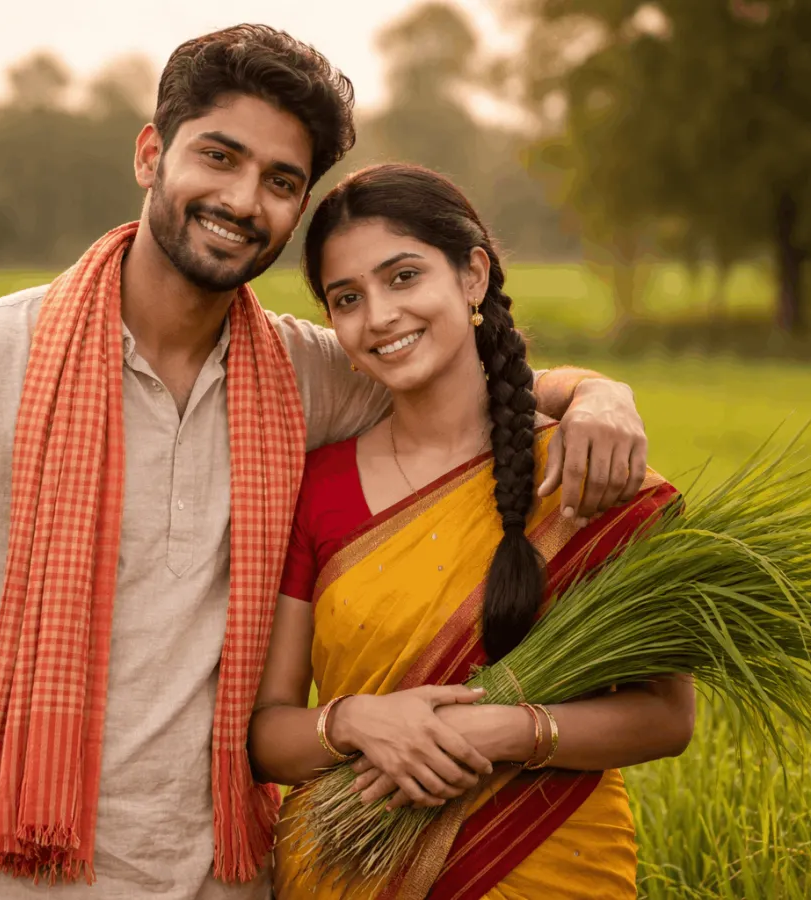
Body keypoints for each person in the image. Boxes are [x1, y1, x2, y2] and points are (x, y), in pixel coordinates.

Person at [0, 27, 650, 900]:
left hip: (225, 878)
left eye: (282, 182)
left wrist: (597, 395)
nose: (243, 198)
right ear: (150, 154)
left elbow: (474, 383)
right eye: (220, 155)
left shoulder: (311, 374)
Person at [249, 163, 696, 900]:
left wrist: (510, 732)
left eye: (403, 277)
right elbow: (267, 736)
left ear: (473, 276)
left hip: (553, 863)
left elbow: (667, 718)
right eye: (348, 298)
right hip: (347, 870)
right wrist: (357, 720)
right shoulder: (318, 488)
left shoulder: (585, 473)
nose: (380, 316)